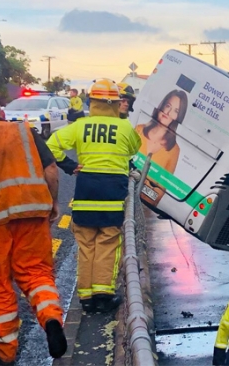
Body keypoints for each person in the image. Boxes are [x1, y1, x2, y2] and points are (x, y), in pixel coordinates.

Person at [46, 78, 141, 313]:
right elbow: (134, 149)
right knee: (108, 242)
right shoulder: (125, 128)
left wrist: (70, 165)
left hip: (85, 190)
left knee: (86, 243)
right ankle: (103, 294)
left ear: (92, 101)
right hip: (112, 192)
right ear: (115, 103)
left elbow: (50, 146)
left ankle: (86, 297)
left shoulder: (80, 126)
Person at [0, 99, 67, 365]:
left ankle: (5, 352)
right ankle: (52, 319)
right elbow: (51, 169)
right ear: (2, 114)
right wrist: (54, 202)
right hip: (33, 214)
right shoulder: (25, 131)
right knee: (36, 274)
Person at [135, 89, 188, 206]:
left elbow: (161, 188)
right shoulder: (138, 130)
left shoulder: (174, 150)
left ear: (178, 117)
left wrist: (143, 195)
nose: (168, 112)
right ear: (162, 105)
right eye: (168, 105)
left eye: (175, 111)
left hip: (142, 207)